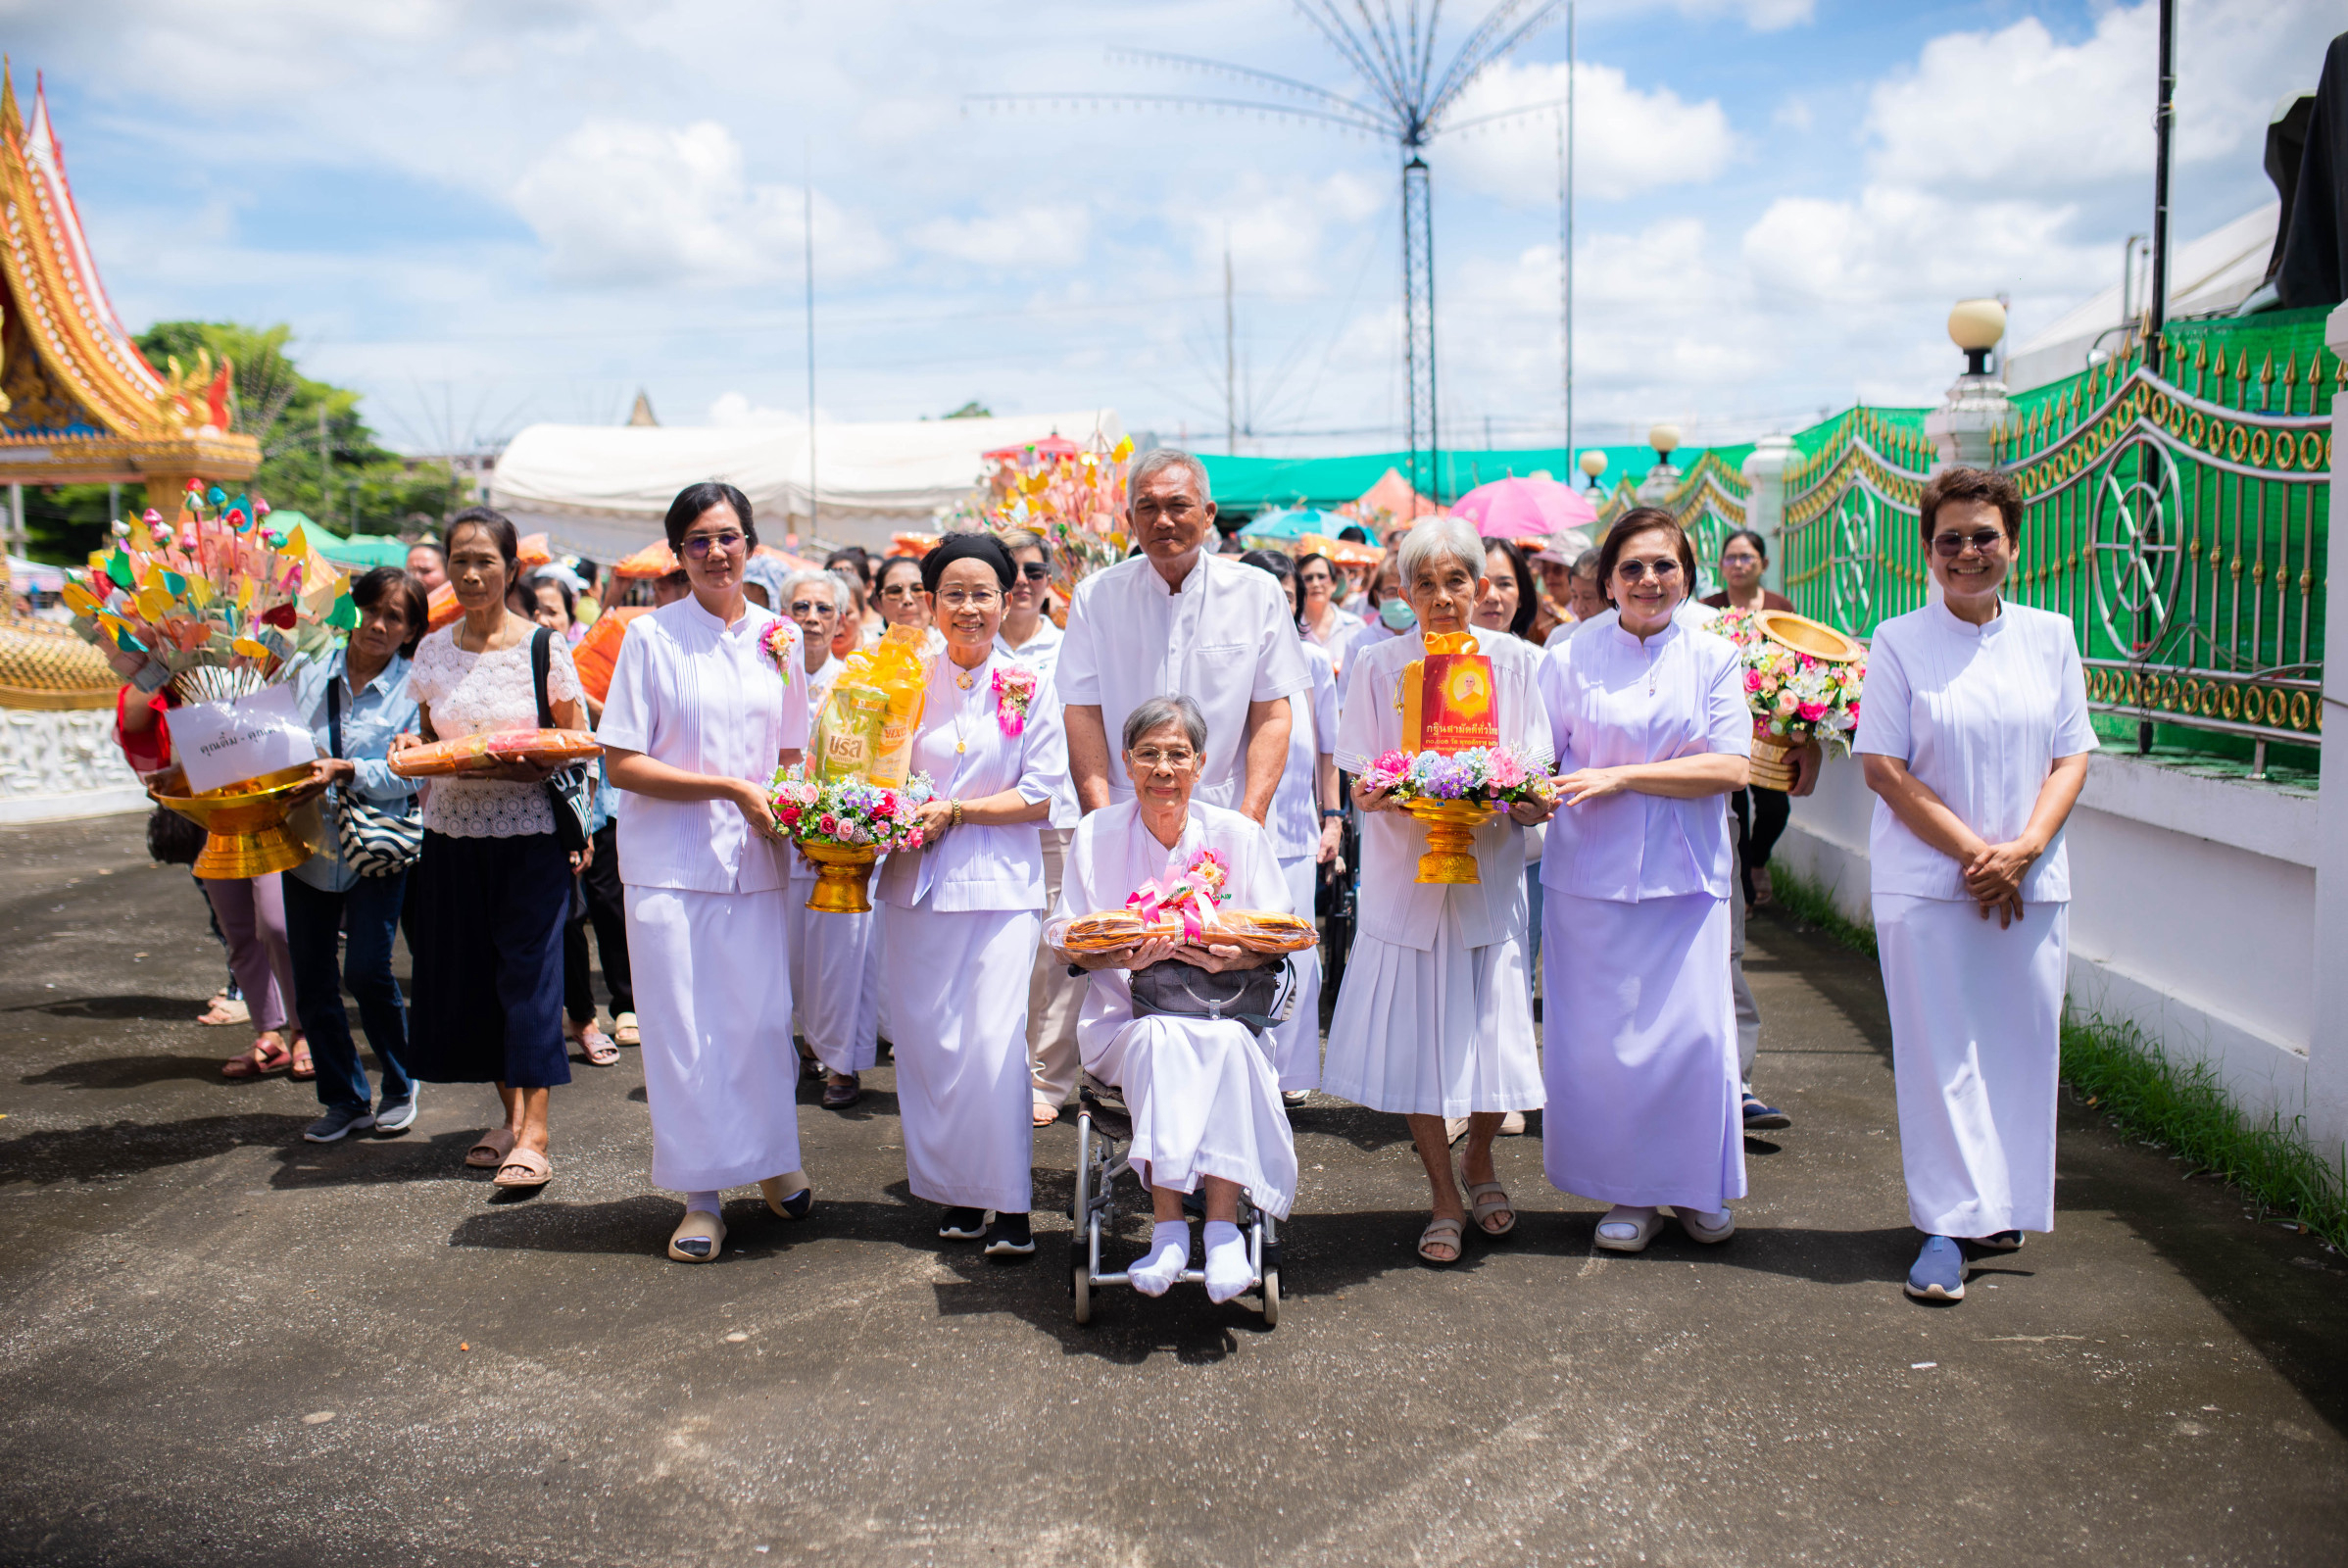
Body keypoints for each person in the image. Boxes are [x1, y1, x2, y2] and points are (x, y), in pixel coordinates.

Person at [1854, 466, 2095, 1304]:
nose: (1968, 552)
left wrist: (2024, 849)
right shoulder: (1898, 640)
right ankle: (1945, 1227)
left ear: (2012, 544)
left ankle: (2001, 1203)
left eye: (1983, 536)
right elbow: (1882, 766)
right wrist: (1975, 856)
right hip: (1928, 885)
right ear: (1928, 549)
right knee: (1940, 1055)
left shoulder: (2051, 635)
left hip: (2031, 881)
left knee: (2020, 1049)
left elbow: (2072, 756)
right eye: (1951, 538)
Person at [1324, 516, 1555, 1266]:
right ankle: (1443, 1193)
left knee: (1494, 1036)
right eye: (1425, 583)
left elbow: (1535, 772)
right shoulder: (1376, 664)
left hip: (1487, 875)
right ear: (1402, 594)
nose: (1442, 596)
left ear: (1482, 589)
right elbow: (1359, 778)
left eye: (1457, 581)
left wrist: (1518, 798)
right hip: (1406, 875)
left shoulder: (1515, 662)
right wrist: (1405, 790)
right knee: (1421, 1043)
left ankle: (1481, 1157)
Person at [601, 482, 815, 1262]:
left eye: (728, 537)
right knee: (685, 1031)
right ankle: (699, 1196)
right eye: (698, 541)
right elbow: (621, 762)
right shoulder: (650, 640)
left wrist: (802, 811)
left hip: (757, 860)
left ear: (750, 545)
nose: (716, 552)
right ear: (679, 555)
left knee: (759, 1022)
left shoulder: (779, 638)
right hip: (669, 864)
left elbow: (792, 752)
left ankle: (770, 1161)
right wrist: (728, 787)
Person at [1537, 508, 1751, 1252]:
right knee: (1607, 1046)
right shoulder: (1567, 656)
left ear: (1687, 575)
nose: (1648, 581)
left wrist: (1620, 776)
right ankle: (1629, 1193)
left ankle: (1693, 1188)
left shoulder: (1715, 654)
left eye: (1664, 566)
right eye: (1631, 568)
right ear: (1606, 579)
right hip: (1588, 881)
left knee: (1691, 1040)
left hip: (1686, 878)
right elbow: (1541, 764)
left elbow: (1729, 766)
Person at [1046, 696, 1299, 1301]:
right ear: (1128, 763)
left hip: (1224, 1012)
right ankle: (1168, 1233)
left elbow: (1282, 931)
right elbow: (1061, 936)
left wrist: (1238, 953)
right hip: (1124, 1020)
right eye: (1149, 755)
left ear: (1201, 763)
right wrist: (1113, 954)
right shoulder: (1096, 832)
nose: (1164, 769)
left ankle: (1219, 1233)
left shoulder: (1236, 834)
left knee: (1229, 1043)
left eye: (1178, 755)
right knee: (1164, 1037)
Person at [875, 534, 1067, 1257]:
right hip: (916, 886)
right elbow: (872, 770)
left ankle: (1009, 1202)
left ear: (1007, 598)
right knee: (932, 1046)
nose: (968, 607)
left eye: (982, 592)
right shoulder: (902, 680)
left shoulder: (1028, 683)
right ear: (928, 603)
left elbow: (1043, 792)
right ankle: (958, 1192)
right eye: (952, 593)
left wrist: (958, 811)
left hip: (999, 887)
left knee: (992, 1046)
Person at [394, 506, 589, 1192]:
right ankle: (507, 1118)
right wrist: (412, 750)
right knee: (476, 980)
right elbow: (427, 735)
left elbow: (575, 749)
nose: (471, 573)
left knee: (530, 979)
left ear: (511, 569)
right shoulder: (432, 651)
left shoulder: (543, 648)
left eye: (485, 561)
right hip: (451, 839)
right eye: (459, 560)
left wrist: (572, 822)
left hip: (530, 836)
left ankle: (536, 1133)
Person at [1059, 448, 1307, 826]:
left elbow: (1272, 716)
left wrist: (1249, 819)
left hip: (1227, 811)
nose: (1162, 521)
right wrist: (1101, 822)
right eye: (1147, 508)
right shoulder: (1096, 597)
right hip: (1126, 811)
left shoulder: (1257, 592)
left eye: (1178, 505)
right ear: (1129, 519)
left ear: (1208, 514)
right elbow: (1081, 713)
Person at [109, 656, 306, 1082]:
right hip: (211, 807)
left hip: (267, 803)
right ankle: (268, 1033)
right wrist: (161, 661)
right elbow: (134, 717)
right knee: (236, 927)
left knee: (276, 924)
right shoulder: (175, 652)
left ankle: (304, 1030)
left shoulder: (262, 642)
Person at [281, 567, 425, 1142]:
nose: (379, 625)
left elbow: (409, 772)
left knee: (366, 969)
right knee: (312, 978)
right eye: (372, 610)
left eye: (396, 617)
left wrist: (346, 770)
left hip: (376, 845)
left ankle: (399, 1080)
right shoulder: (306, 673)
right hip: (308, 845)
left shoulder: (413, 688)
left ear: (410, 630)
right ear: (354, 610)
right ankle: (343, 1097)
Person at [1240, 550, 1341, 1106]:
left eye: (1287, 592)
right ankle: (1246, 1065)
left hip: (1299, 832)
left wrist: (1333, 818)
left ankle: (1290, 1073)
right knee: (1239, 951)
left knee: (1296, 953)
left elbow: (1328, 748)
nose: (1278, 601)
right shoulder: (1230, 660)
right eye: (1267, 592)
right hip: (1239, 830)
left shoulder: (1312, 660)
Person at [775, 568, 879, 1108]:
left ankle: (842, 1062)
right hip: (777, 841)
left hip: (840, 846)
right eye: (800, 607)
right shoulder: (766, 678)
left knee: (842, 958)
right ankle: (795, 1051)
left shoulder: (857, 684)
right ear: (783, 616)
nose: (811, 618)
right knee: (787, 958)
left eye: (822, 609)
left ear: (841, 620)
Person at [996, 528, 1085, 1128]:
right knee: (1004, 952)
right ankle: (998, 1070)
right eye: (1011, 571)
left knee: (1056, 950)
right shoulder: (971, 648)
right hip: (990, 822)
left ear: (1050, 580)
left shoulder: (1070, 647)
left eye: (1034, 570)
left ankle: (1047, 1075)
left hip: (1058, 818)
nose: (1023, 582)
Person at [524, 571, 620, 1067]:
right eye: (534, 609)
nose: (543, 618)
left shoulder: (579, 658)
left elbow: (590, 747)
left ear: (569, 614)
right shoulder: (508, 660)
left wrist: (581, 826)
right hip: (509, 812)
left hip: (571, 809)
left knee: (574, 916)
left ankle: (584, 1017)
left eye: (552, 610)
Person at [1697, 529, 1797, 907]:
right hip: (1722, 725)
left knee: (1775, 808)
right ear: (1721, 565)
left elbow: (1795, 660)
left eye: (1746, 557)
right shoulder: (1709, 609)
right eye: (1731, 558)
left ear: (1764, 564)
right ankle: (1744, 894)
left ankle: (1757, 861)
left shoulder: (1779, 607)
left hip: (1772, 730)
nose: (1738, 564)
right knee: (1733, 812)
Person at [1294, 550, 1364, 675]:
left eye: (1321, 577)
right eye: (1308, 578)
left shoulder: (1355, 626)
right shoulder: (1291, 628)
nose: (1315, 584)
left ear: (1334, 584)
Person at [872, 554, 946, 658]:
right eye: (895, 591)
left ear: (931, 599)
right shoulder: (866, 661)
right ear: (878, 603)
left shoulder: (952, 653)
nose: (907, 600)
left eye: (918, 589)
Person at [1472, 538, 1541, 645]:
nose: (1492, 596)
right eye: (1480, 585)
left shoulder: (1538, 659)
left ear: (1521, 595)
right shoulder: (1441, 658)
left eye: (1504, 584)